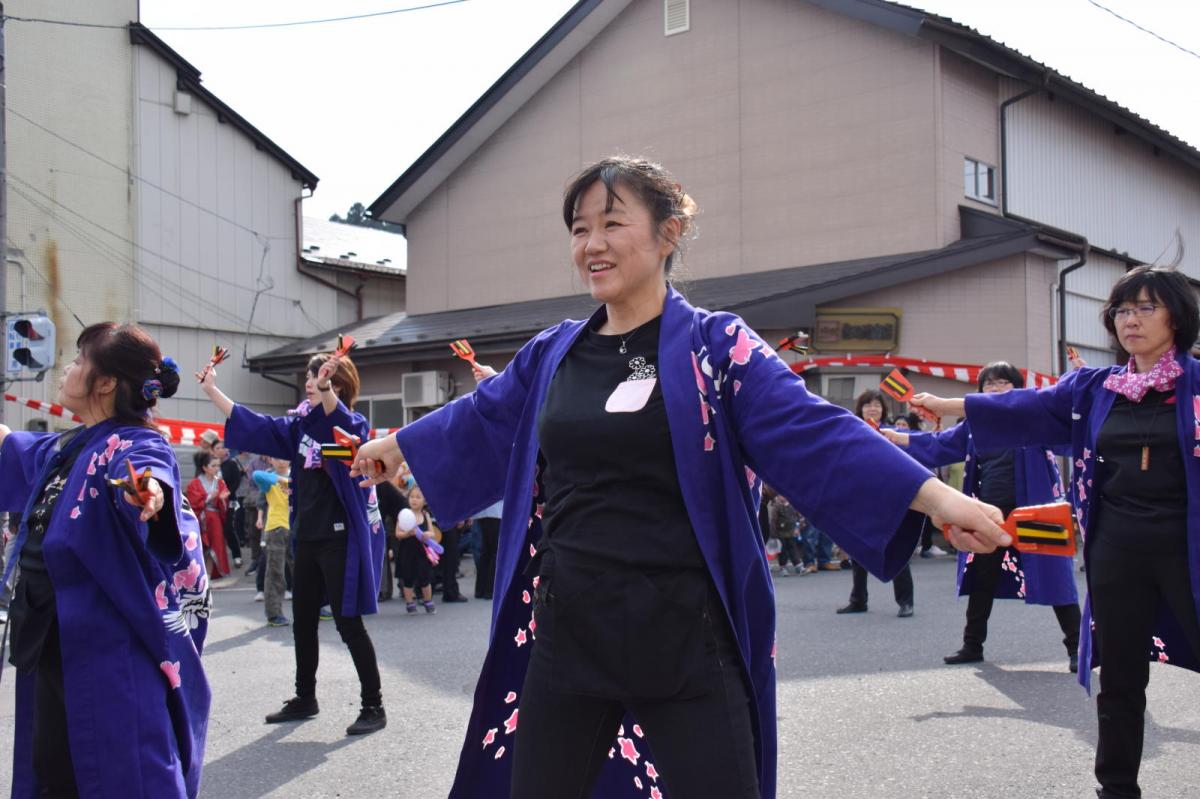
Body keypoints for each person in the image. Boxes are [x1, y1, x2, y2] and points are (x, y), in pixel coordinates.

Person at [350, 156, 1009, 799]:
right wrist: (396, 445)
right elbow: (483, 416)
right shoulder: (553, 354)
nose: (592, 244)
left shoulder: (716, 348)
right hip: (570, 629)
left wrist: (936, 499)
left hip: (685, 634)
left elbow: (813, 429)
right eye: (579, 229)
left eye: (612, 223)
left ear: (669, 232)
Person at [911, 264, 1200, 799]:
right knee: (1119, 676)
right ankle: (1116, 787)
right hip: (1116, 547)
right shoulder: (1095, 388)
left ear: (1177, 318)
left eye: (1145, 308)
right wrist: (949, 404)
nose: (1130, 320)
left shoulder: (1198, 384)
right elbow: (1026, 405)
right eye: (1122, 310)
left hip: (1188, 547)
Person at [0, 322, 210, 797]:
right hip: (50, 638)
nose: (67, 368)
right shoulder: (69, 446)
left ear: (107, 382)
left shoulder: (136, 442)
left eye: (79, 360)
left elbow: (148, 472)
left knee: (119, 774)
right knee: (53, 772)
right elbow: (10, 444)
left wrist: (150, 493)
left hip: (104, 648)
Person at [199, 349, 388, 736]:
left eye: (317, 377)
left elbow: (341, 424)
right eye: (309, 377)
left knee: (347, 624)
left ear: (337, 383)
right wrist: (212, 392)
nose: (309, 382)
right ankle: (305, 697)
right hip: (307, 535)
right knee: (303, 622)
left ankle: (374, 705)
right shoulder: (299, 428)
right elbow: (255, 424)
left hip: (338, 538)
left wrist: (326, 388)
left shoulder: (352, 424)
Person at [884, 361, 1082, 670]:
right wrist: (898, 438)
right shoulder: (974, 426)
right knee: (982, 580)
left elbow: (1070, 434)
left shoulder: (1033, 418)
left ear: (1017, 389)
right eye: (989, 384)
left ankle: (1077, 648)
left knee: (1055, 576)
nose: (995, 388)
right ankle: (972, 645)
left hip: (1036, 511)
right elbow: (939, 445)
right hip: (989, 514)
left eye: (1003, 382)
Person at [838, 390, 916, 618]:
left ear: (883, 409)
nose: (872, 409)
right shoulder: (850, 430)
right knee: (858, 548)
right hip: (859, 495)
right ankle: (858, 600)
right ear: (860, 409)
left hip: (889, 494)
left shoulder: (892, 432)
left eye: (877, 405)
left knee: (896, 547)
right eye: (867, 405)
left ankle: (906, 601)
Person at [253, 457, 294, 627]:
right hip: (276, 528)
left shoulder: (298, 475)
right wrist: (282, 480)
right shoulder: (269, 479)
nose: (281, 461)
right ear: (270, 460)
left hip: (297, 527)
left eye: (284, 457)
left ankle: (316, 607)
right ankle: (274, 614)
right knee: (275, 572)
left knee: (306, 571)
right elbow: (256, 475)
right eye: (276, 458)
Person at [186, 451, 231, 578]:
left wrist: (222, 499)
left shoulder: (220, 483)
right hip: (200, 518)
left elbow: (224, 502)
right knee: (200, 547)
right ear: (205, 468)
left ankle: (211, 574)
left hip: (214, 518)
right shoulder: (194, 483)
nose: (217, 468)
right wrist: (210, 497)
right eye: (213, 466)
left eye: (218, 465)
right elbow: (193, 502)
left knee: (216, 545)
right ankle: (199, 575)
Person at [397, 485, 438, 614]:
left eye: (418, 497)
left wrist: (427, 535)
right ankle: (410, 603)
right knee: (408, 578)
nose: (414, 500)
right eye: (412, 497)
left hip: (422, 552)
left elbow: (432, 532)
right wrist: (407, 533)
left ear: (424, 501)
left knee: (425, 577)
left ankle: (428, 601)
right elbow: (398, 534)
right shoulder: (404, 514)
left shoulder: (425, 515)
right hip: (407, 551)